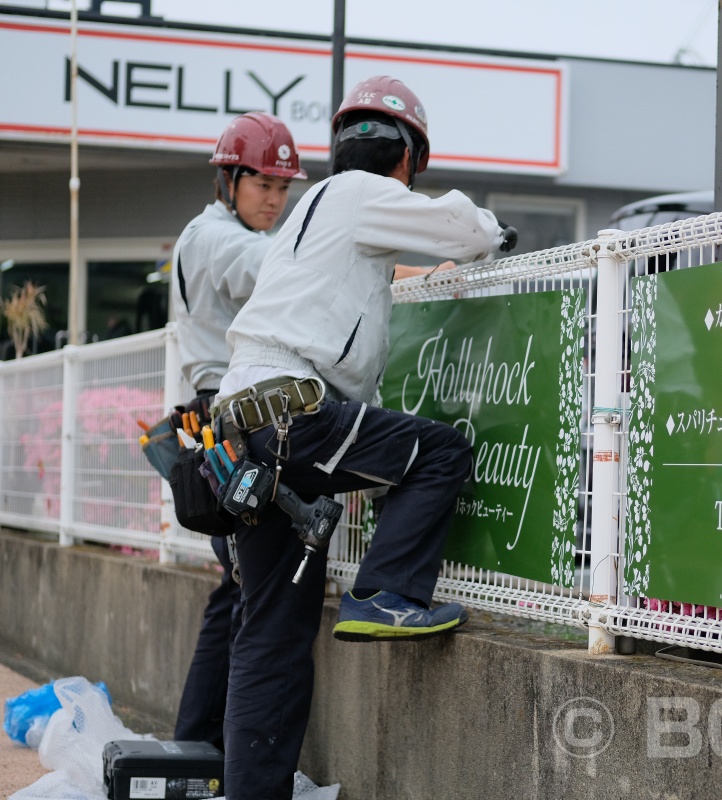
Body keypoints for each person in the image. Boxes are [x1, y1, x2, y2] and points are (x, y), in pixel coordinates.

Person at [211, 75, 516, 799]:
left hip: (245, 430)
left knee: (271, 632)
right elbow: (461, 228)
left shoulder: (311, 216)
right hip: (293, 416)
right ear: (408, 157)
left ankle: (253, 792)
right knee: (440, 453)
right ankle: (384, 594)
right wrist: (496, 236)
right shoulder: (357, 194)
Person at [168, 111, 307, 751]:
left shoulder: (216, 232)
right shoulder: (216, 238)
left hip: (217, 418)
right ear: (229, 179)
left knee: (235, 591)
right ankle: (208, 753)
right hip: (226, 419)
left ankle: (199, 751)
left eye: (283, 188)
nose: (275, 200)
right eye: (262, 186)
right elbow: (292, 271)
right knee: (246, 594)